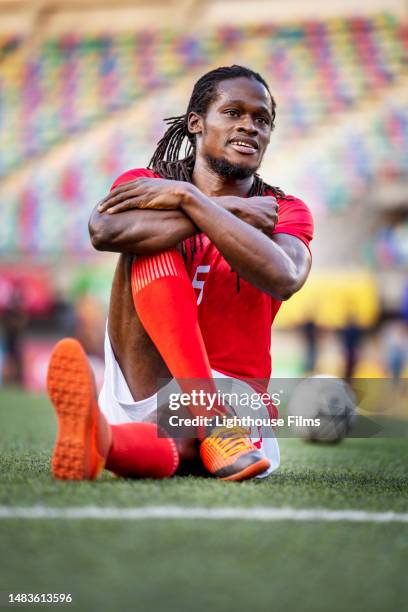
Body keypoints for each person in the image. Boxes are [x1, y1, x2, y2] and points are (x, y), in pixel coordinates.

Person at [47, 65, 313, 482]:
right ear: (196, 123)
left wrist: (187, 199)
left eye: (262, 119)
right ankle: (211, 422)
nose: (250, 126)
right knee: (147, 246)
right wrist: (221, 207)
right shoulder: (147, 183)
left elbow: (286, 276)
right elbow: (105, 230)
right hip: (146, 379)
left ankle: (102, 439)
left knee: (187, 443)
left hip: (235, 394)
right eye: (233, 112)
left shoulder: (284, 209)